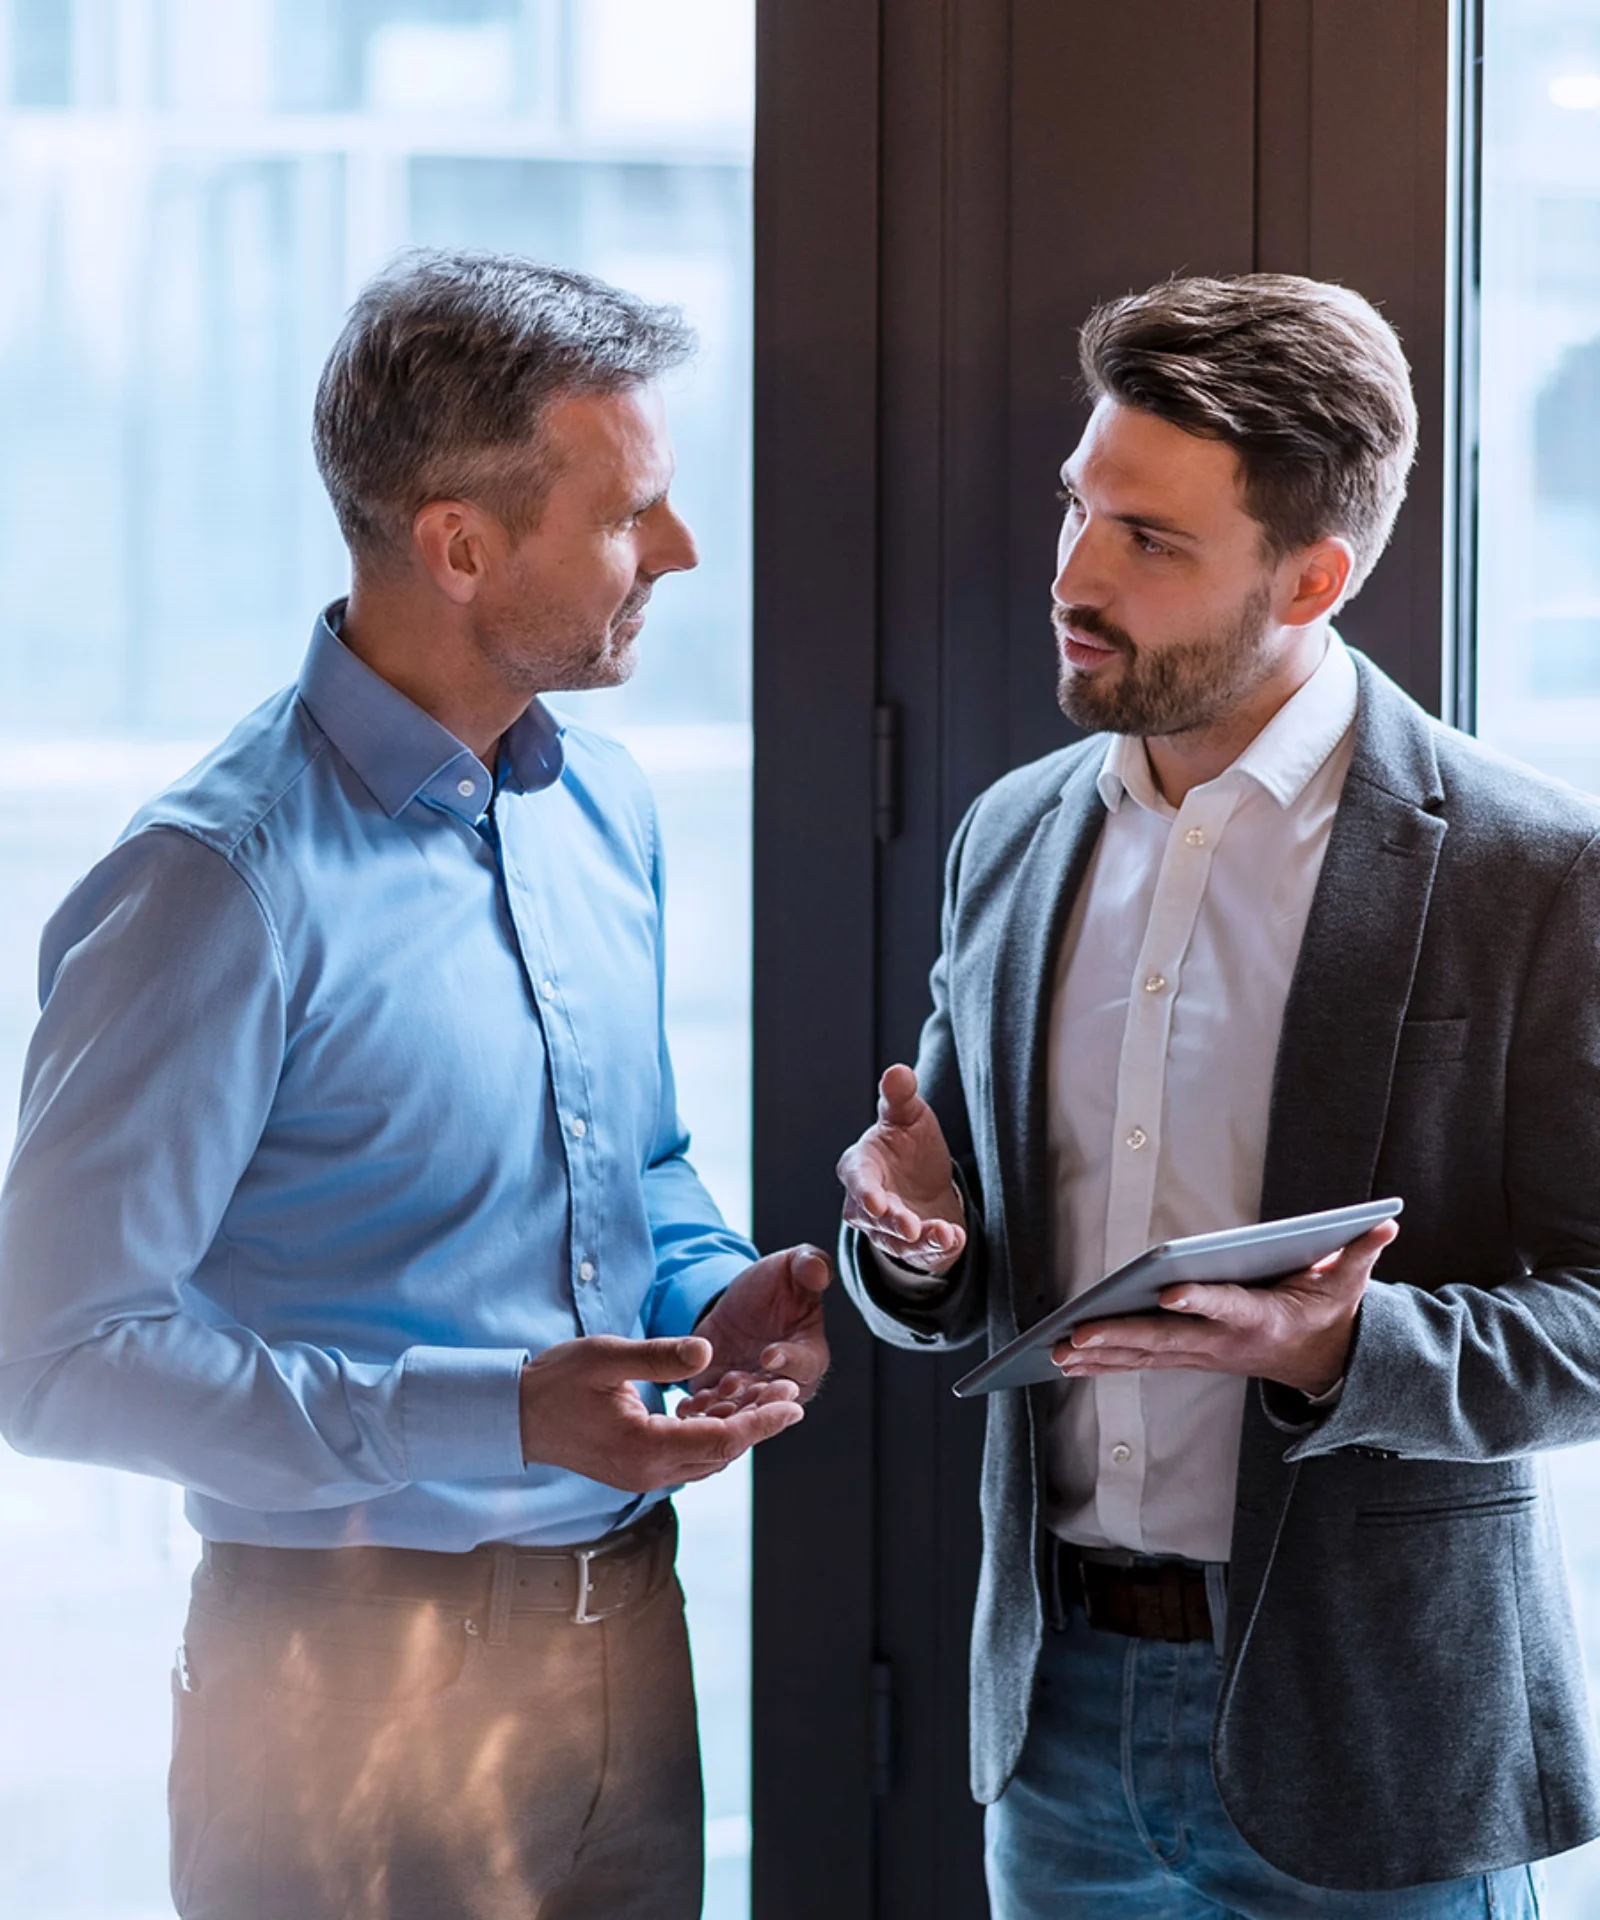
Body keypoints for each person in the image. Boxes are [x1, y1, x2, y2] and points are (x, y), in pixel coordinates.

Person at [0, 249, 828, 1920]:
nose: (676, 549)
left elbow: (640, 1159)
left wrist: (712, 1290)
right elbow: (49, 1357)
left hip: (626, 1638)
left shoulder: (601, 809)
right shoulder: (212, 885)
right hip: (335, 1685)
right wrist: (494, 1408)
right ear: (460, 544)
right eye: (630, 513)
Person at [836, 273, 1600, 1917]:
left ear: (1312, 577)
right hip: (1055, 1730)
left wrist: (1342, 1352)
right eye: (1078, 509)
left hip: (1374, 1745)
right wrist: (917, 1248)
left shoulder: (1537, 869)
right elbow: (961, 1273)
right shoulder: (1011, 836)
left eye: (1151, 542)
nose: (1074, 576)